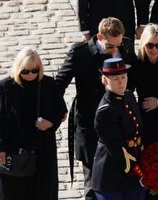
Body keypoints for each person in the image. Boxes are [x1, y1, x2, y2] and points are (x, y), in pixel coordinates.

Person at [55, 17, 137, 200]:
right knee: (93, 182)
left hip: (120, 126)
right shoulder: (80, 52)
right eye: (110, 46)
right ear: (99, 36)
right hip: (90, 125)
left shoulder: (126, 46)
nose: (115, 49)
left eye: (118, 44)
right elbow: (59, 84)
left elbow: (138, 73)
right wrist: (59, 110)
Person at [0, 47, 67, 200]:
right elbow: (0, 119)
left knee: (42, 191)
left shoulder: (48, 84)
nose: (31, 75)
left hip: (43, 148)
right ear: (19, 69)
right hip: (15, 147)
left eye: (35, 70)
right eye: (25, 71)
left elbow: (61, 111)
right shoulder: (6, 86)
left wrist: (50, 123)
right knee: (13, 192)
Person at [92, 58, 145, 200]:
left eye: (123, 77)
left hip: (133, 169)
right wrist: (137, 172)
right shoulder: (106, 110)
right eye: (115, 79)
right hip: (112, 176)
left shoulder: (128, 96)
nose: (121, 82)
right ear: (105, 80)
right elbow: (117, 148)